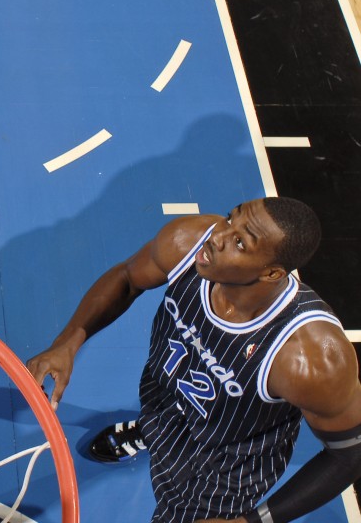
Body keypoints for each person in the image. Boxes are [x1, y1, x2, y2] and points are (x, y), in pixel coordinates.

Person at [27, 198, 361, 523]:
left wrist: (251, 521)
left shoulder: (310, 358)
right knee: (163, 410)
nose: (218, 236)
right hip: (164, 397)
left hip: (222, 468)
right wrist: (68, 342)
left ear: (272, 272)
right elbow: (127, 278)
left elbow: (348, 456)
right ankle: (149, 432)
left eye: (240, 243)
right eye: (232, 219)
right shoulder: (188, 241)